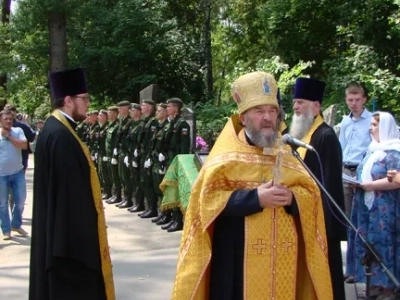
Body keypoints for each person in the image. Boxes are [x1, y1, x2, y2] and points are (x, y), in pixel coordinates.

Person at [171, 71, 333, 300]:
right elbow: (204, 203)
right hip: (236, 264)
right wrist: (254, 199)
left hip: (285, 263)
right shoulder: (224, 159)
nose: (267, 117)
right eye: (259, 111)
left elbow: (311, 195)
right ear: (243, 118)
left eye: (272, 110)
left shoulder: (287, 155)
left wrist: (292, 198)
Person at [29, 68, 115, 300]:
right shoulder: (61, 136)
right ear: (68, 100)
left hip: (59, 235)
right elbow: (71, 199)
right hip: (69, 246)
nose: (88, 104)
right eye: (84, 98)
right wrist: (87, 240)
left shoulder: (56, 128)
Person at [288, 77, 346, 300]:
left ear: (316, 106)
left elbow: (329, 185)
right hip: (304, 215)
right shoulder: (303, 134)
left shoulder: (325, 136)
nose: (295, 107)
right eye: (295, 103)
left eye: (300, 102)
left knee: (328, 278)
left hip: (322, 221)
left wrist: (325, 226)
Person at [346, 112, 400, 300]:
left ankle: (389, 288)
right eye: (370, 124)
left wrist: (370, 186)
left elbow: (395, 180)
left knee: (384, 244)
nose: (370, 128)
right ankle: (375, 284)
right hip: (366, 205)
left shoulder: (394, 151)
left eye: (375, 125)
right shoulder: (372, 149)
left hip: (385, 207)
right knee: (368, 243)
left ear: (385, 127)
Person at [339, 83, 372, 218]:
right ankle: (350, 238)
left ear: (364, 100)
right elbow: (342, 145)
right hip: (346, 170)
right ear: (346, 100)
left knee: (363, 211)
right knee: (347, 213)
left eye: (357, 100)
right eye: (350, 100)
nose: (354, 104)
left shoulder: (372, 120)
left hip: (363, 169)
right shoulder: (345, 122)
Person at [0, 110, 28, 240]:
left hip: (17, 173)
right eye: (5, 119)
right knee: (3, 204)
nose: (8, 121)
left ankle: (16, 225)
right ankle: (6, 230)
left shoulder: (18, 131)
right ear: (1, 120)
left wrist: (9, 137)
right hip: (1, 175)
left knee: (21, 201)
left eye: (10, 119)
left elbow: (24, 145)